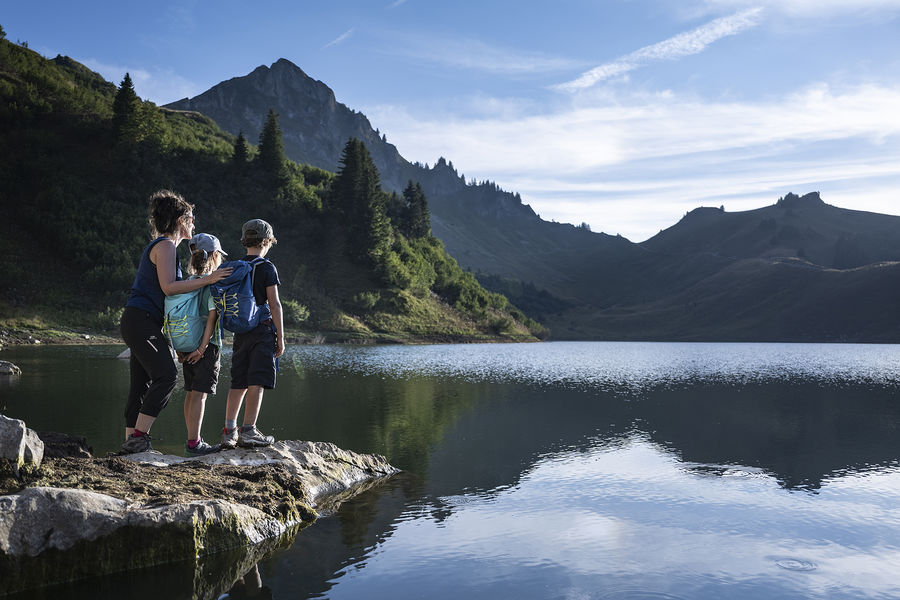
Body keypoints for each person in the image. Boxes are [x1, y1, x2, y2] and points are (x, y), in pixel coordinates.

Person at [119, 190, 231, 455]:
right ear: (181, 219)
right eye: (191, 218)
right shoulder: (166, 246)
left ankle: (130, 445)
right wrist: (209, 280)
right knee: (167, 376)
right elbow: (169, 287)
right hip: (141, 321)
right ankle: (139, 437)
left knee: (140, 384)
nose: (193, 223)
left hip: (139, 322)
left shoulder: (164, 247)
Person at [221, 219, 284, 449]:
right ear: (267, 241)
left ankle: (229, 432)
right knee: (256, 381)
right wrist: (281, 337)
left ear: (244, 241)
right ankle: (249, 431)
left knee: (238, 381)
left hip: (241, 331)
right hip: (262, 331)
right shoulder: (267, 267)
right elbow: (275, 305)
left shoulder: (235, 267)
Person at [180, 233, 228, 456]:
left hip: (187, 344)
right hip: (205, 347)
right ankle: (194, 443)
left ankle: (190, 439)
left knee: (191, 392)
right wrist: (203, 348)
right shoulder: (212, 285)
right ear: (215, 256)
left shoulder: (188, 282)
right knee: (200, 394)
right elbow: (212, 318)